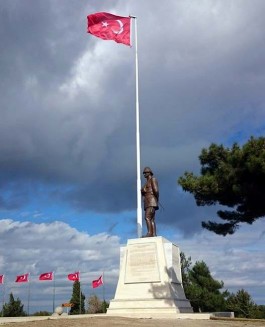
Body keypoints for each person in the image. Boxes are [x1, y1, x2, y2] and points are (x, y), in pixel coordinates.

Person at [141, 167, 159, 237]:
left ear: (149, 173)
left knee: (147, 217)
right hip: (148, 202)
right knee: (151, 219)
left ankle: (150, 233)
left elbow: (156, 190)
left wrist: (156, 199)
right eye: (144, 173)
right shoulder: (146, 183)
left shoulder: (153, 179)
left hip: (151, 202)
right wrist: (143, 191)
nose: (144, 174)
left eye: (145, 172)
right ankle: (154, 234)